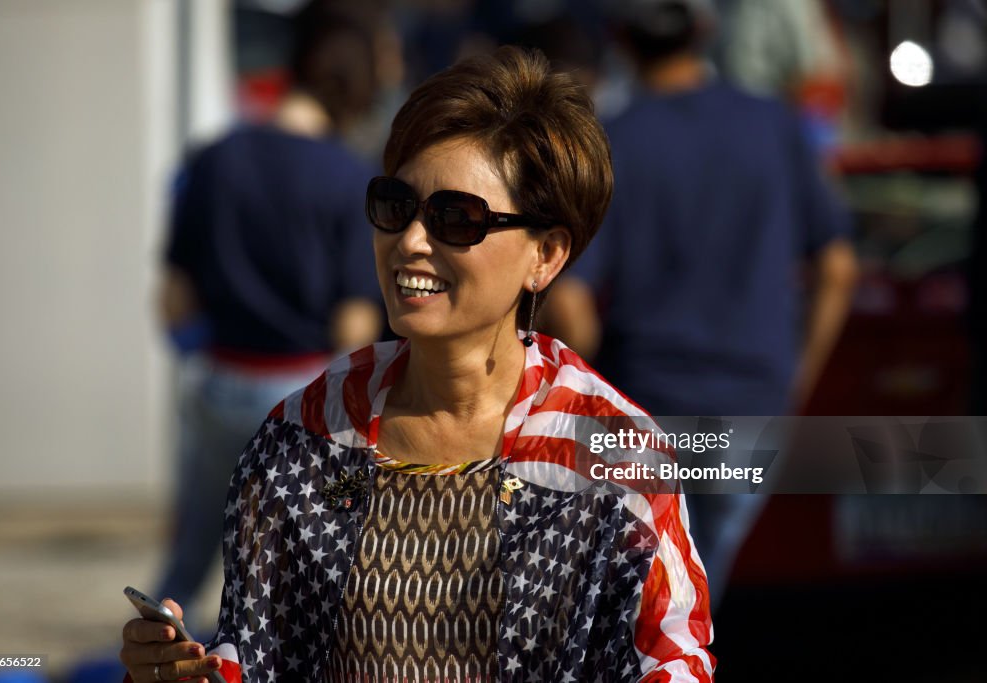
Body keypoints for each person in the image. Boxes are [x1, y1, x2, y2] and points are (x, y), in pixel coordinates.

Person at [121, 46, 714, 682]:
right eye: (395, 206)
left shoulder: (613, 454)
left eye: (456, 219)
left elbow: (672, 660)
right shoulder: (307, 432)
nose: (410, 241)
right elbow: (257, 654)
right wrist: (171, 673)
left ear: (546, 254)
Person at [547, 0, 857, 606]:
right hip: (751, 407)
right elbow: (839, 267)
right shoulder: (774, 124)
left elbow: (572, 297)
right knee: (690, 597)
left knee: (646, 604)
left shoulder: (614, 138)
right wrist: (794, 382)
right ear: (706, 32)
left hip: (648, 411)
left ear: (622, 39)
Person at [153, 2, 384, 628]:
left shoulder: (213, 158)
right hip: (304, 395)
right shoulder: (349, 179)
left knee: (189, 559)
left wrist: (205, 352)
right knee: (307, 567)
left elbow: (173, 298)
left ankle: (153, 657)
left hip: (217, 382)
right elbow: (353, 326)